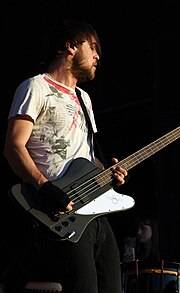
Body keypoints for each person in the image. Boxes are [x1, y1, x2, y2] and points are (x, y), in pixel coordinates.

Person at [3, 19, 128, 293]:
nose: (98, 56)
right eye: (92, 47)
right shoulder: (35, 87)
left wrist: (109, 173)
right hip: (62, 212)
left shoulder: (85, 98)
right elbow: (14, 146)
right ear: (70, 46)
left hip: (96, 211)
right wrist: (44, 186)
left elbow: (87, 159)